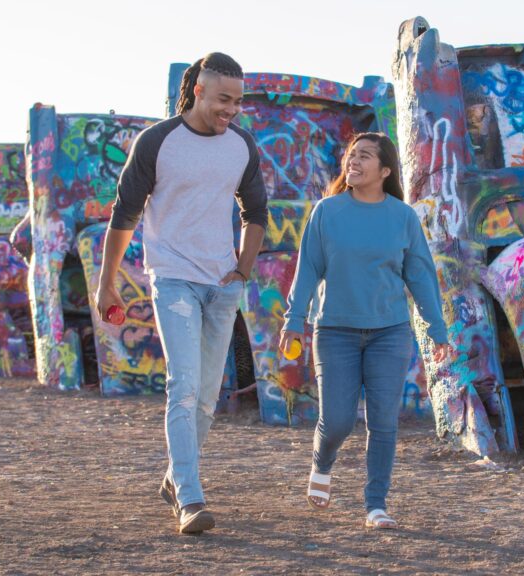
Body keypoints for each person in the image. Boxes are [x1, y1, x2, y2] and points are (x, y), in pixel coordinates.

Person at [96, 52, 267, 535]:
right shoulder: (157, 141)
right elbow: (124, 214)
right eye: (222, 100)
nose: (231, 110)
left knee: (210, 393)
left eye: (237, 101)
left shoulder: (242, 145)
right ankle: (190, 498)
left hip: (222, 283)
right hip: (172, 277)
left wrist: (242, 268)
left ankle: (174, 478)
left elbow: (256, 211)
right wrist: (106, 281)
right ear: (199, 92)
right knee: (184, 383)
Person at [279, 132, 452, 530]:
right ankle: (322, 462)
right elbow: (308, 269)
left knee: (383, 422)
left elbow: (421, 277)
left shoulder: (402, 217)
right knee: (337, 420)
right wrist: (294, 321)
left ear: (385, 170)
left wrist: (437, 328)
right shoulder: (327, 211)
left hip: (389, 332)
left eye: (365, 157)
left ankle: (376, 505)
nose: (353, 161)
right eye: (351, 155)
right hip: (335, 330)